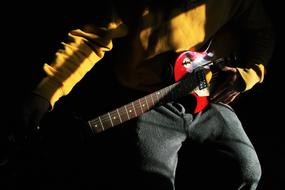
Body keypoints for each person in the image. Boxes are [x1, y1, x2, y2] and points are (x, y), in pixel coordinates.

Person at [19, 0, 274, 189]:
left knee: (247, 171)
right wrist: (44, 93)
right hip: (149, 101)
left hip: (209, 95)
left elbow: (262, 31)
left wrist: (249, 74)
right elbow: (91, 40)